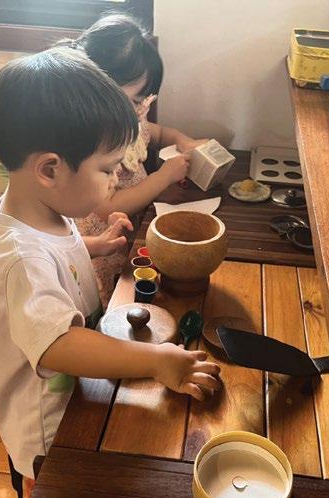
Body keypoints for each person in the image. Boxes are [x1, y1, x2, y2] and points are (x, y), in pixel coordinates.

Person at [0, 47, 221, 498]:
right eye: (107, 169)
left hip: (80, 396)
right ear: (50, 169)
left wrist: (92, 244)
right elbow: (58, 344)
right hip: (49, 434)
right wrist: (155, 361)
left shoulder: (44, 211)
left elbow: (57, 254)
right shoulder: (20, 257)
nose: (115, 180)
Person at [58, 14, 209, 306]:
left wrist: (183, 141)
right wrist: (163, 177)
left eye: (145, 100)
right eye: (136, 100)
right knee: (109, 301)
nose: (142, 110)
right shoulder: (91, 140)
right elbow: (107, 206)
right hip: (101, 246)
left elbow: (157, 132)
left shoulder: (130, 119)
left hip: (129, 234)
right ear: (98, 87)